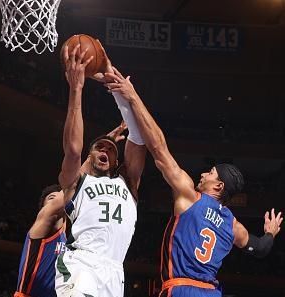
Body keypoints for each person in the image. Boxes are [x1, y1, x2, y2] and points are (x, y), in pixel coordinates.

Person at [104, 68, 283, 297]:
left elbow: (158, 147)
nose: (203, 175)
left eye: (210, 173)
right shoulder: (233, 225)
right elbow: (260, 248)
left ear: (219, 186)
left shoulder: (190, 196)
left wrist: (132, 96)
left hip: (181, 289)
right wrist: (270, 233)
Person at [55, 44, 146, 297]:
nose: (105, 150)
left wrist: (110, 75)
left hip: (115, 271)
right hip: (80, 264)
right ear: (91, 155)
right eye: (99, 147)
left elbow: (138, 137)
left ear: (117, 160)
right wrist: (76, 90)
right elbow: (73, 149)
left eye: (110, 149)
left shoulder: (128, 183)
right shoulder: (77, 181)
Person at [14, 184, 66, 297]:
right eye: (52, 198)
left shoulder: (76, 236)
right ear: (43, 208)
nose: (56, 201)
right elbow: (70, 189)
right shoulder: (38, 230)